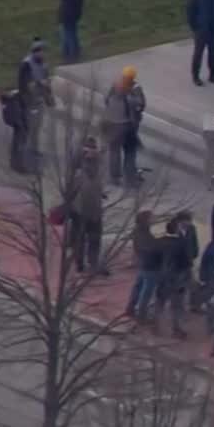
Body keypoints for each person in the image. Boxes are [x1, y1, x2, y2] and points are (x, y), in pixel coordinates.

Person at [14, 38, 53, 173]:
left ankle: (34, 151)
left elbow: (47, 81)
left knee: (37, 128)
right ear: (35, 52)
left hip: (39, 100)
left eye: (44, 52)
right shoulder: (26, 65)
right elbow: (24, 85)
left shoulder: (43, 64)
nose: (43, 55)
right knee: (29, 130)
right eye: (41, 52)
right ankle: (25, 161)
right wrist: (38, 84)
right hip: (29, 102)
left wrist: (49, 97)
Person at [102, 66, 146, 188]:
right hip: (127, 127)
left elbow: (106, 100)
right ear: (132, 77)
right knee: (130, 152)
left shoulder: (115, 86)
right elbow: (141, 105)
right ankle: (130, 179)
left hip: (111, 124)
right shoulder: (134, 90)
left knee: (114, 152)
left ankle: (115, 177)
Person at [69, 140, 106, 275]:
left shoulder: (97, 168)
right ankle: (82, 263)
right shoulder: (78, 171)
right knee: (83, 239)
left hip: (93, 211)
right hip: (82, 211)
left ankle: (91, 263)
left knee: (92, 239)